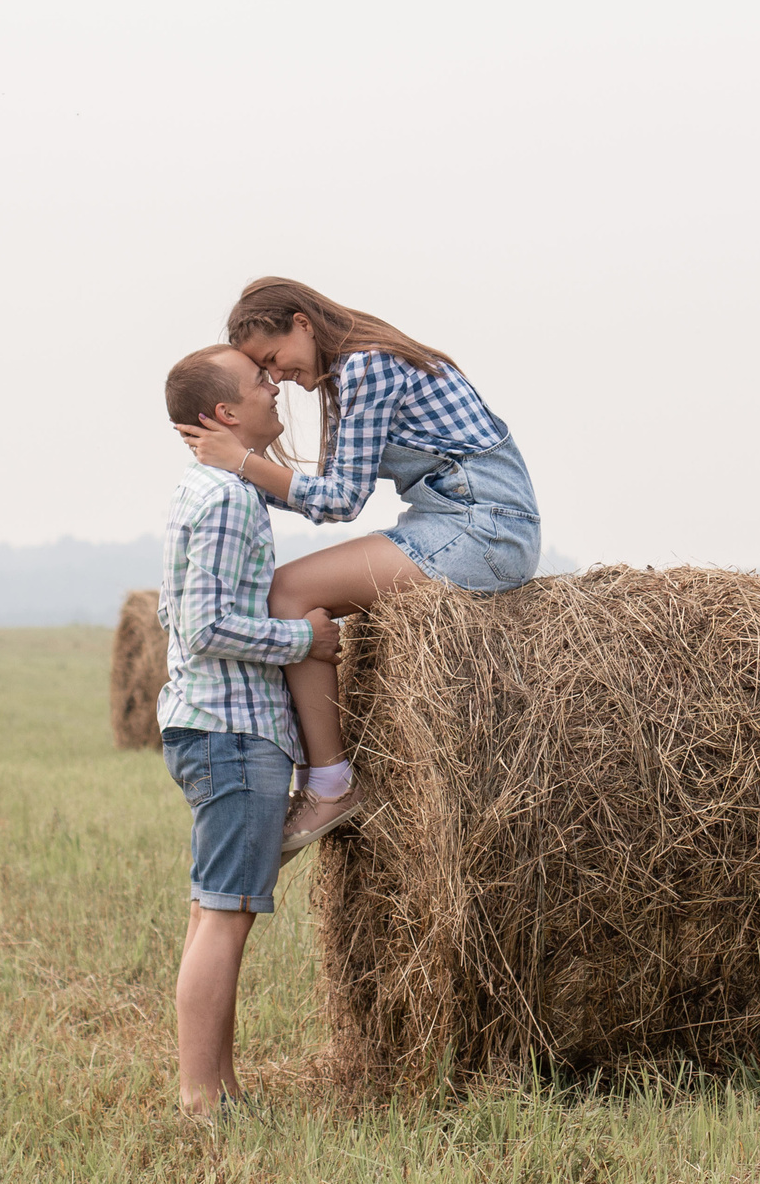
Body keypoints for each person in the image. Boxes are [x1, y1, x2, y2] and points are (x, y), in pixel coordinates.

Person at [176, 277, 540, 855]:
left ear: (302, 322)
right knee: (291, 593)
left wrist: (241, 459)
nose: (280, 380)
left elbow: (338, 501)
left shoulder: (367, 366)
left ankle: (329, 785)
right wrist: (230, 464)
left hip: (484, 529)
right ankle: (322, 775)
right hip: (454, 519)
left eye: (275, 361)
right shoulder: (355, 369)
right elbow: (319, 492)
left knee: (288, 595)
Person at [155, 342, 341, 1114]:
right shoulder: (230, 500)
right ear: (224, 413)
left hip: (212, 729)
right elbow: (203, 626)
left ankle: (221, 1086)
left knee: (215, 911)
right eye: (261, 381)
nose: (276, 388)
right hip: (233, 733)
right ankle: (203, 1097)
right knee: (225, 918)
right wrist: (308, 641)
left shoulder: (207, 491)